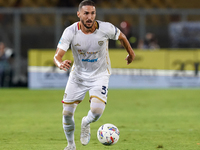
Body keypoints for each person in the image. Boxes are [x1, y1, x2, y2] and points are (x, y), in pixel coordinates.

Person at [53, 0, 135, 150]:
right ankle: (71, 145)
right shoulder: (70, 31)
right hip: (78, 76)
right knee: (66, 114)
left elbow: (122, 37)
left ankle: (86, 122)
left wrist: (131, 53)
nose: (90, 17)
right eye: (86, 13)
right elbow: (57, 56)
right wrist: (60, 64)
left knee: (96, 112)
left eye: (92, 13)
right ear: (79, 14)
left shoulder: (106, 28)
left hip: (100, 75)